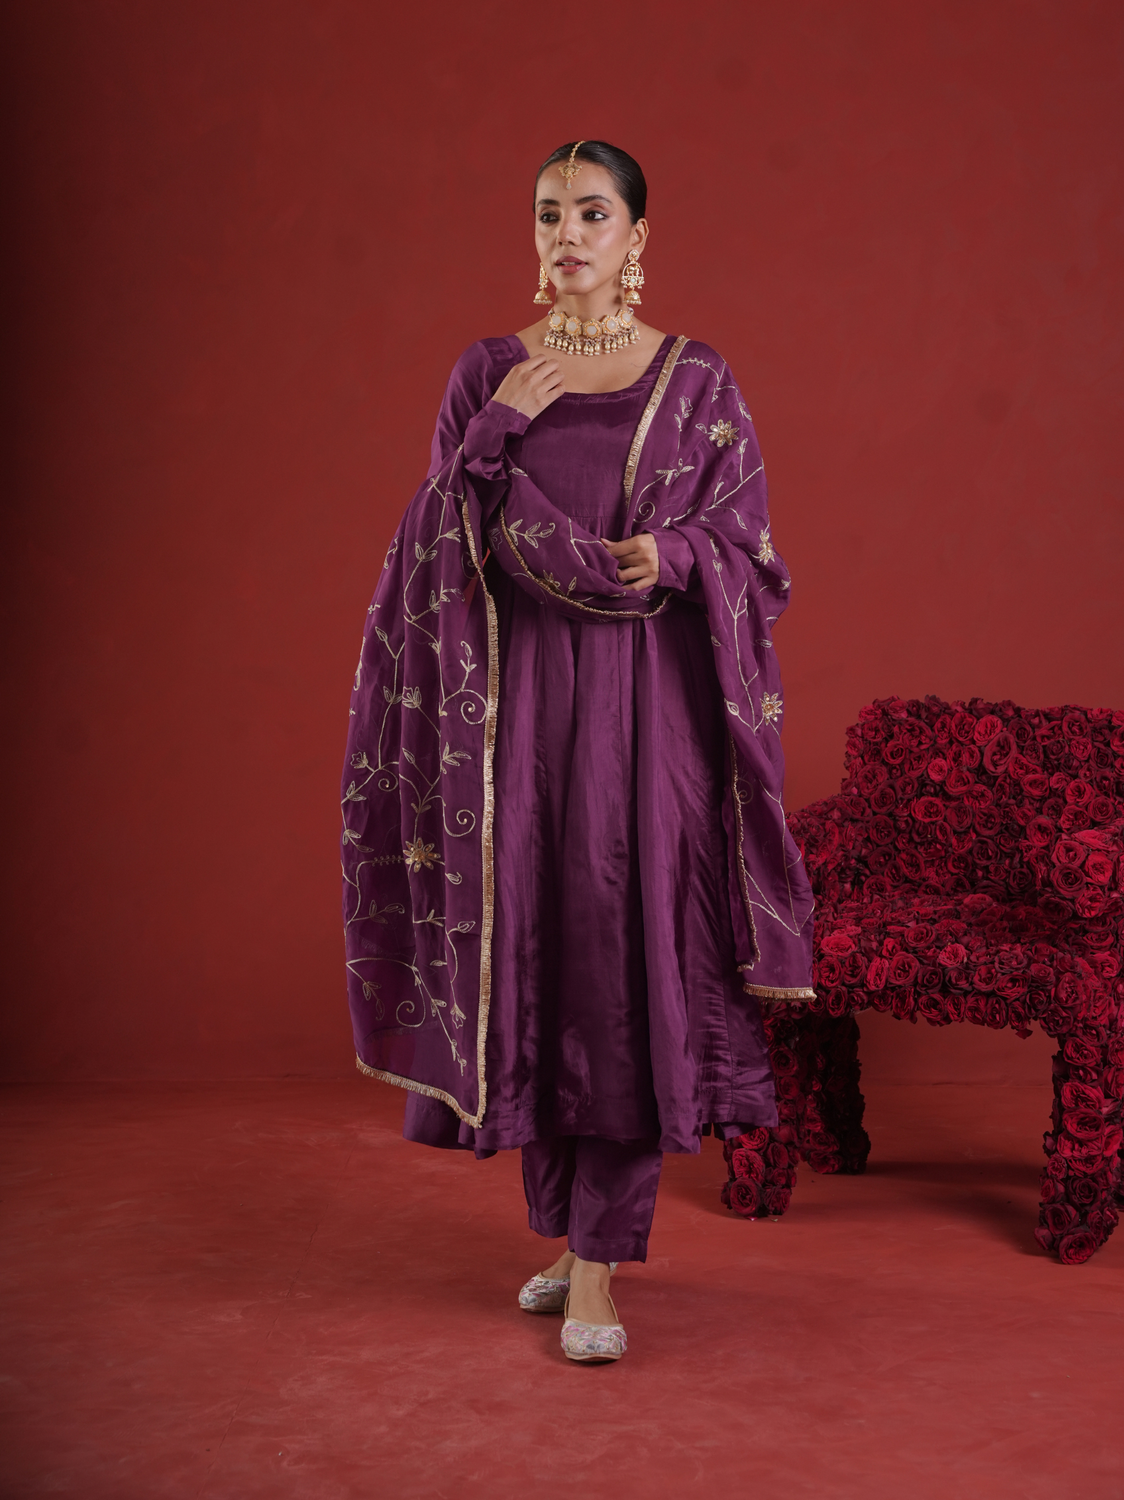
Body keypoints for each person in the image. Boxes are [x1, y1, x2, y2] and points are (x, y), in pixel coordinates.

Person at [341, 140, 815, 1363]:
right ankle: (564, 1236)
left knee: (618, 962)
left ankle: (600, 1264)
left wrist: (679, 557)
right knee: (535, 963)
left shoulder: (694, 378)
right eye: (549, 213)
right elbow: (436, 536)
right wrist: (495, 428)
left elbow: (750, 546)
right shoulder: (488, 371)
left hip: (644, 720)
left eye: (592, 213)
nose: (568, 235)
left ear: (636, 235)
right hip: (509, 722)